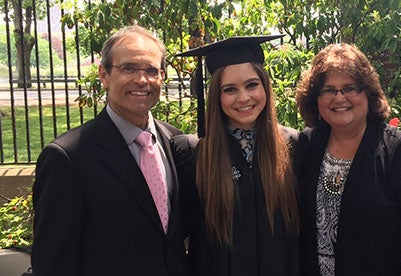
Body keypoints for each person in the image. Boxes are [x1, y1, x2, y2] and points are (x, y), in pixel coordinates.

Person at [31, 25, 190, 276]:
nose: (141, 80)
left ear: (161, 77)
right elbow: (53, 263)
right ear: (104, 75)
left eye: (151, 70)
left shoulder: (175, 141)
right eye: (128, 68)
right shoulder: (68, 158)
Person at [295, 43, 401, 275]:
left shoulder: (398, 152)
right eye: (328, 90)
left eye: (350, 88)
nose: (339, 98)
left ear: (367, 93)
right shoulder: (306, 146)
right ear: (315, 99)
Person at [172, 35, 300, 276]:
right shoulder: (193, 153)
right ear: (216, 97)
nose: (243, 98)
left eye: (252, 85)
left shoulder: (293, 145)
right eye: (230, 89)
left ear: (265, 87)